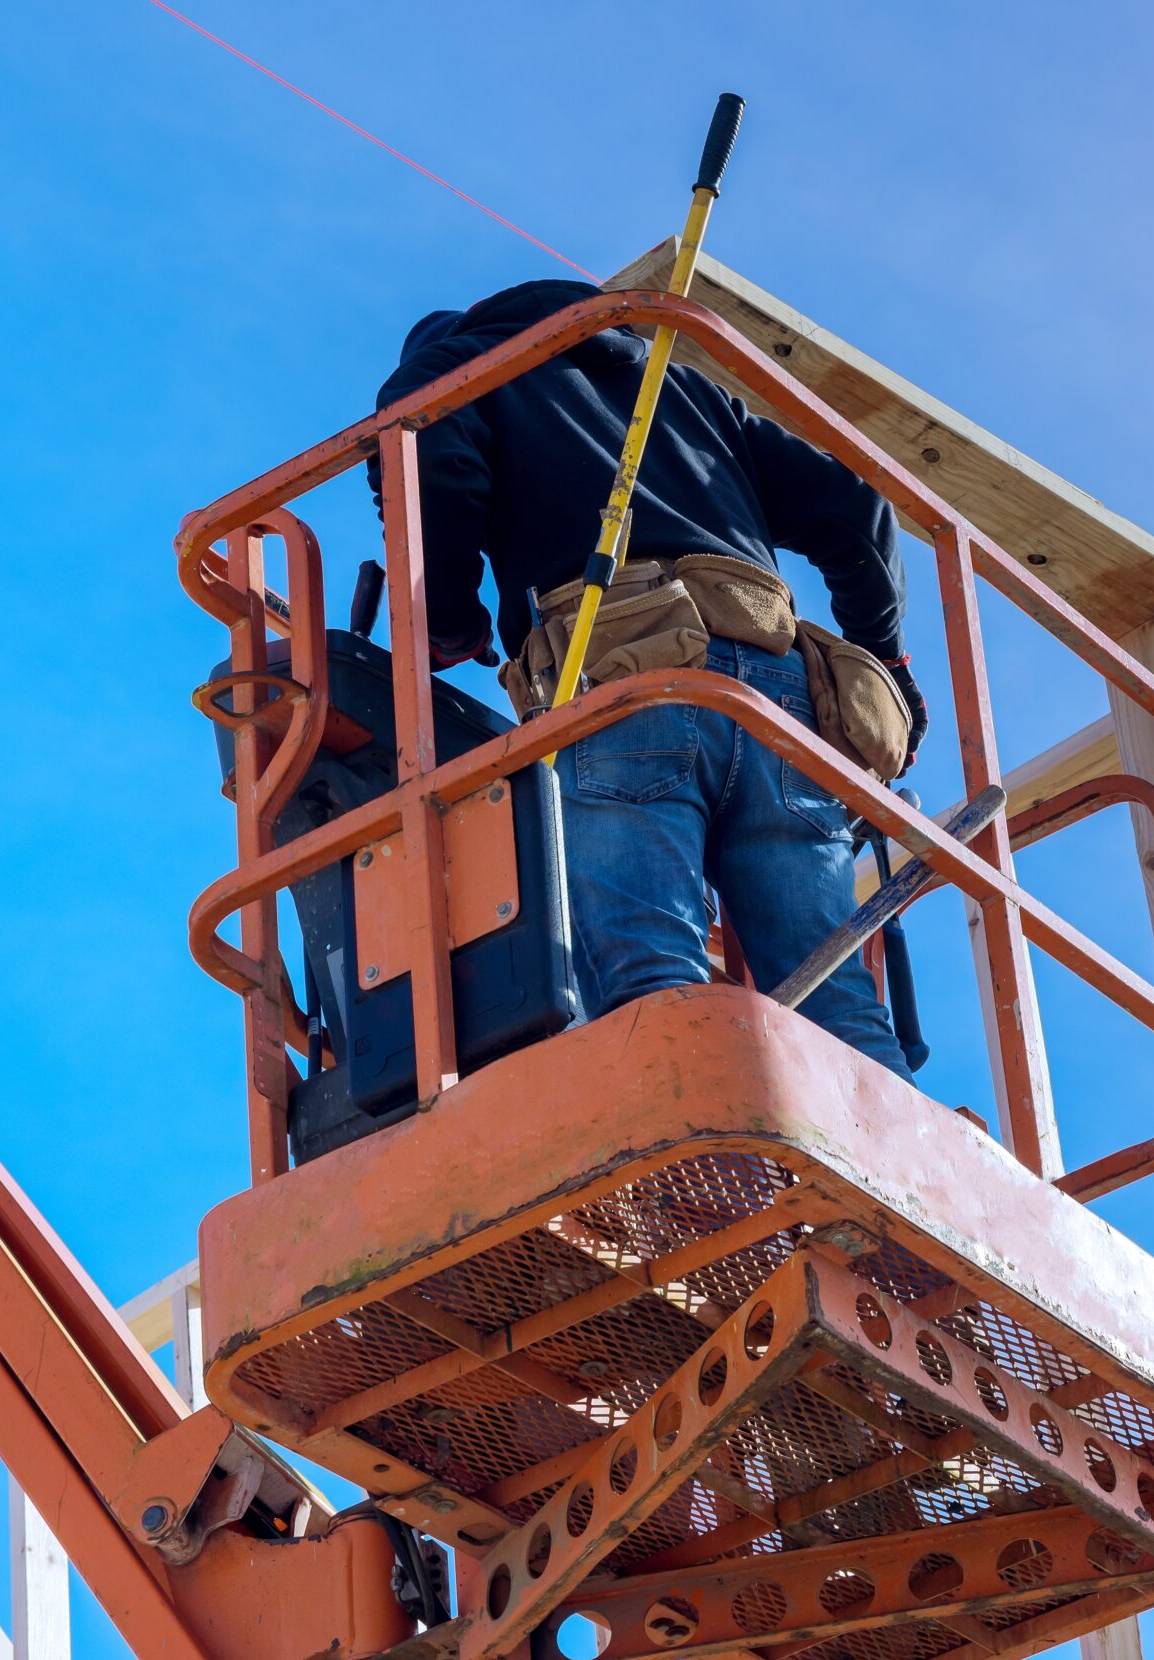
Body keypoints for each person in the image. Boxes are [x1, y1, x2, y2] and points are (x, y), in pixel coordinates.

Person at [369, 278, 924, 1078]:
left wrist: (451, 621)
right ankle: (886, 1151)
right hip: (777, 697)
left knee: (651, 975)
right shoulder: (681, 387)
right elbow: (858, 511)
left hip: (623, 678)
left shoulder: (462, 364)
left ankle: (697, 1158)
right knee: (835, 1002)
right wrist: (888, 663)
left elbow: (429, 457)